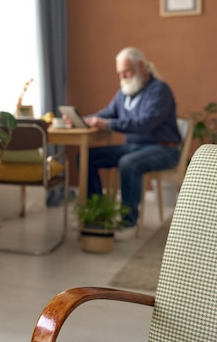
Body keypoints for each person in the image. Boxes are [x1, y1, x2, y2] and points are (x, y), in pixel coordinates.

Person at [68, 47, 181, 239]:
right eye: (119, 73)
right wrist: (81, 120)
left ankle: (128, 222)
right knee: (86, 158)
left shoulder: (160, 90)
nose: (122, 76)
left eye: (126, 71)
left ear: (141, 67)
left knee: (128, 163)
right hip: (133, 147)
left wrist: (109, 124)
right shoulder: (124, 92)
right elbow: (105, 114)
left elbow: (145, 123)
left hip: (163, 149)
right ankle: (97, 214)